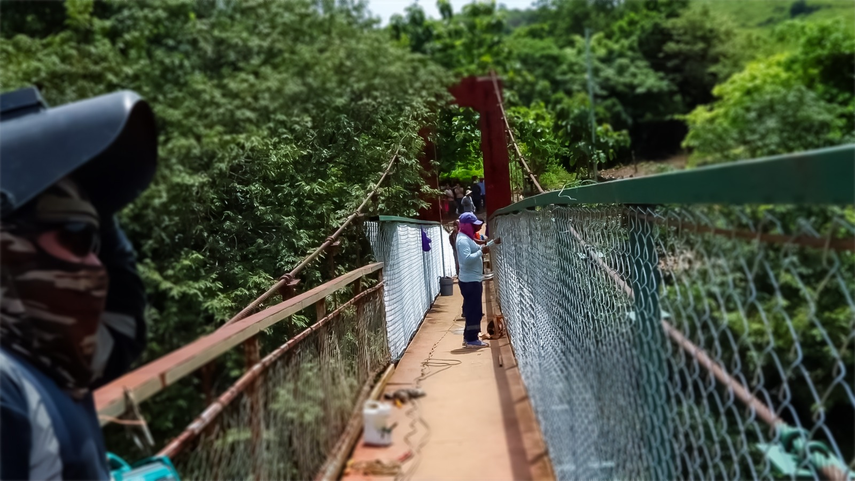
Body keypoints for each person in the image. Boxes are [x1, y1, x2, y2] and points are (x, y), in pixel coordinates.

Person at [0, 87, 157, 480]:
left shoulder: (53, 358)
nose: (94, 263)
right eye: (75, 236)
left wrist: (97, 206)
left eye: (96, 243)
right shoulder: (6, 390)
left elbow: (124, 327)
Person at [455, 212, 500, 348]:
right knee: (474, 310)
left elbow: (478, 248)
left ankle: (468, 336)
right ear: (466, 225)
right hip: (470, 281)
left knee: (472, 309)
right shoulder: (462, 240)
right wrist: (482, 252)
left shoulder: (466, 238)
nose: (475, 229)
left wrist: (492, 243)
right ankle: (471, 339)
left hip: (472, 279)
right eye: (473, 226)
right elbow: (466, 260)